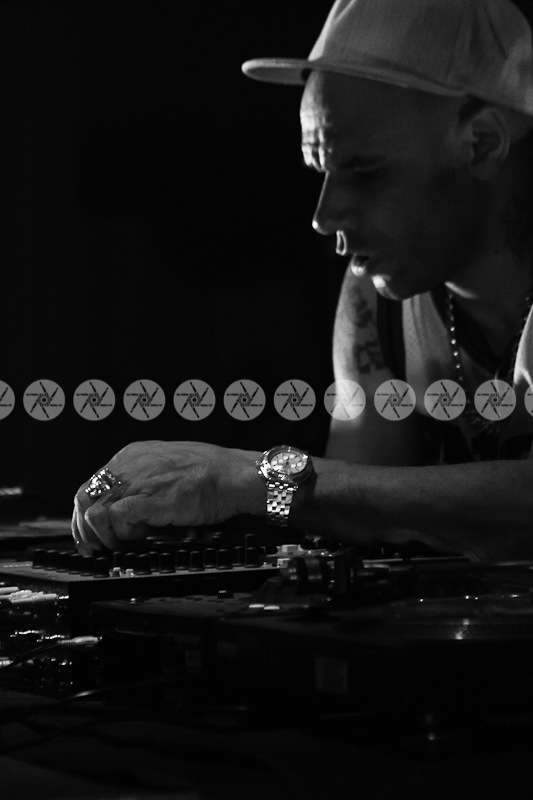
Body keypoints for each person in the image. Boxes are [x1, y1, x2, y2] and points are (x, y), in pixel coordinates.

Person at [72, 0, 533, 562]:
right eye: (323, 171)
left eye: (364, 171)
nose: (324, 216)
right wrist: (207, 499)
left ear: (482, 142)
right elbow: (355, 507)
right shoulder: (375, 297)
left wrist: (245, 477)